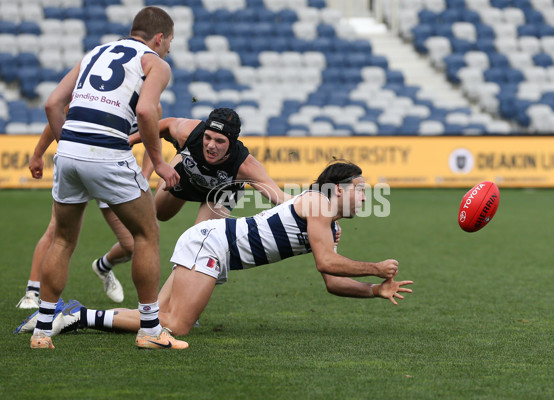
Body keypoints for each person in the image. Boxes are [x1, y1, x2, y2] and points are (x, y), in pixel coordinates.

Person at [24, 161, 413, 338]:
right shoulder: (318, 204)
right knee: (173, 327)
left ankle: (74, 315)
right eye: (360, 186)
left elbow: (330, 280)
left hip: (211, 241)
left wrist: (374, 291)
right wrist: (375, 268)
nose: (365, 193)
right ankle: (79, 315)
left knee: (157, 317)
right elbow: (328, 262)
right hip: (212, 242)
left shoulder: (328, 221)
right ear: (338, 188)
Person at [32, 6, 186, 350]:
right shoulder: (155, 63)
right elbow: (146, 111)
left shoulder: (94, 52)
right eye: (170, 42)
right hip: (108, 153)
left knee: (62, 241)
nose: (169, 50)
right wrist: (159, 163)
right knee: (146, 234)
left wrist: (70, 144)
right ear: (159, 37)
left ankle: (42, 331)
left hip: (68, 153)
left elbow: (54, 104)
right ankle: (149, 331)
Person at [91, 107, 291, 286]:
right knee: (158, 215)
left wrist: (313, 207)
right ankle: (103, 263)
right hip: (185, 177)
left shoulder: (246, 166)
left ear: (232, 143)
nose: (211, 145)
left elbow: (281, 199)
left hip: (221, 192)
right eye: (208, 137)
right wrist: (129, 142)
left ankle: (183, 300)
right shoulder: (190, 132)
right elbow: (159, 127)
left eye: (220, 141)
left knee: (199, 244)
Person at [16, 118, 153, 309]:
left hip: (110, 169)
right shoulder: (93, 91)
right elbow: (56, 112)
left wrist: (145, 176)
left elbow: (152, 139)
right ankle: (32, 292)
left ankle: (103, 267)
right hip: (79, 164)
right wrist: (39, 153)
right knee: (56, 234)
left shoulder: (148, 103)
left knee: (131, 245)